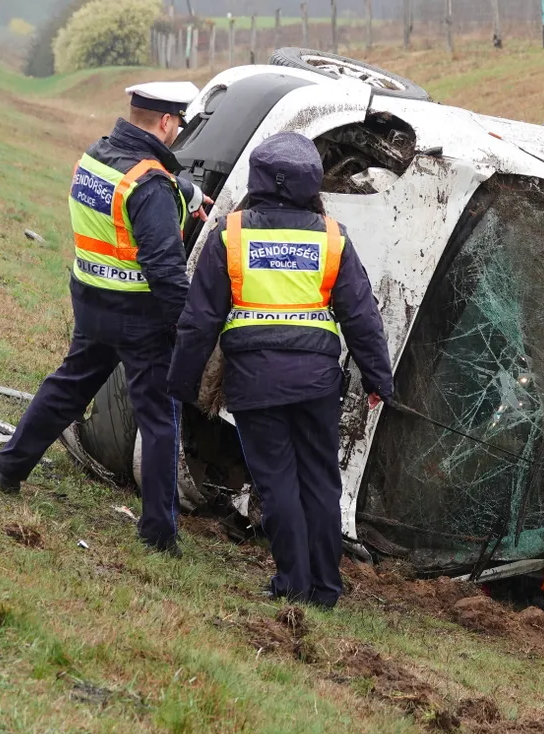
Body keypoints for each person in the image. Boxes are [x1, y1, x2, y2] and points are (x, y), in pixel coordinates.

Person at [167, 132, 394, 608]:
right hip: (317, 384)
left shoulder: (231, 235)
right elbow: (362, 316)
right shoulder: (332, 238)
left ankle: (292, 583)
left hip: (254, 383)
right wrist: (378, 379)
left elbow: (200, 319)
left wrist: (182, 381)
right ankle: (326, 589)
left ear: (258, 179)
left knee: (277, 482)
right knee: (321, 482)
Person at [0, 82, 210, 558]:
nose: (177, 131)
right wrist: (188, 328)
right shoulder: (150, 185)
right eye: (178, 123)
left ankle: (8, 469)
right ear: (166, 122)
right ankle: (158, 534)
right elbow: (164, 268)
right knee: (159, 420)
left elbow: (132, 192)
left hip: (92, 301)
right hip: (141, 317)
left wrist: (185, 192)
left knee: (67, 388)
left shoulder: (96, 156)